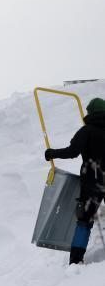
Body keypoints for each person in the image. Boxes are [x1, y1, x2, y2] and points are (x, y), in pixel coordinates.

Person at [44, 97, 105, 264]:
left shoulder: (86, 131)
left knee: (84, 221)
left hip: (92, 182)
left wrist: (51, 153)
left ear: (90, 113)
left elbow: (72, 151)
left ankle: (76, 261)